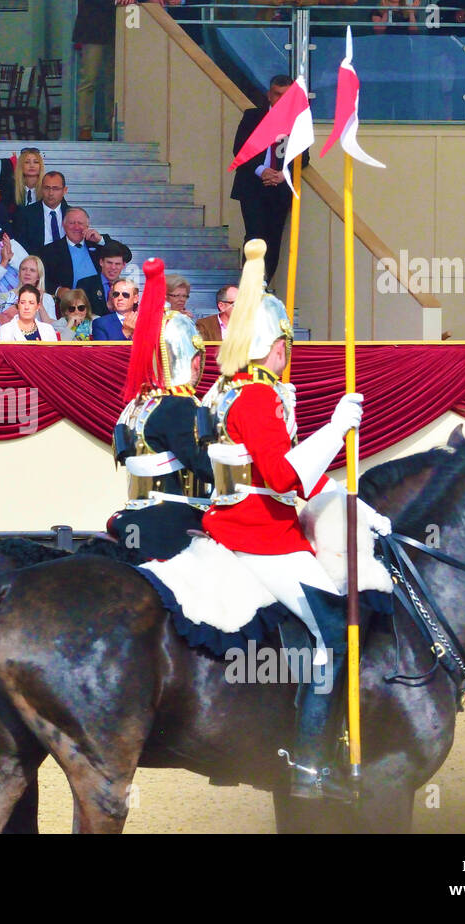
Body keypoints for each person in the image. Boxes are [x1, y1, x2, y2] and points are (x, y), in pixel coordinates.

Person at [199, 238, 391, 800]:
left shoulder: (230, 389)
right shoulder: (255, 398)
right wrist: (335, 429)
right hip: (261, 536)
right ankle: (309, 763)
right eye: (286, 343)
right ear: (274, 346)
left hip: (246, 523)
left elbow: (295, 478)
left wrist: (361, 510)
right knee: (335, 633)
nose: (290, 352)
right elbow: (284, 481)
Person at [105, 257, 211, 568]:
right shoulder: (179, 405)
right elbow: (207, 467)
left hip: (135, 514)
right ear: (193, 359)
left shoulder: (136, 405)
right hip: (174, 522)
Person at [231, 75, 308, 283]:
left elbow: (304, 157)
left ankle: (264, 283)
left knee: (274, 239)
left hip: (280, 189)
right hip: (253, 187)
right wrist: (261, 170)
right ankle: (249, 283)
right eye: (277, 94)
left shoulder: (299, 120)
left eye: (286, 95)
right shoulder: (253, 117)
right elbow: (239, 149)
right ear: (269, 94)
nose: (281, 99)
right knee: (254, 236)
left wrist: (284, 174)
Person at [73, 0, 137, 140]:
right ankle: (85, 127)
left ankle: (112, 127)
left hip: (120, 27)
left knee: (114, 82)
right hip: (93, 29)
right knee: (89, 79)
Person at [40, 206, 126, 292]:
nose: (76, 227)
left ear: (87, 226)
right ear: (63, 225)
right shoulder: (50, 251)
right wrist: (58, 291)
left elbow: (127, 255)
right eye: (72, 223)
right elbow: (42, 280)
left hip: (101, 299)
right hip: (71, 302)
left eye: (80, 223)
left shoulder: (98, 244)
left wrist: (100, 240)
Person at [13, 170, 72, 255]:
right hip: (38, 262)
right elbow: (21, 247)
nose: (50, 193)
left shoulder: (72, 214)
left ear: (64, 191)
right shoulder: (25, 214)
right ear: (41, 189)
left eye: (55, 188)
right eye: (46, 188)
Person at [74, 239, 130, 317]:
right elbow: (82, 316)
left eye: (117, 264)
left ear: (123, 265)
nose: (113, 267)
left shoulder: (128, 287)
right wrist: (109, 306)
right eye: (109, 263)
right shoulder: (84, 284)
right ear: (101, 262)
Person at [9, 146, 44, 214]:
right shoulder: (11, 187)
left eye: (36, 162)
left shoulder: (47, 187)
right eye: (27, 162)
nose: (32, 165)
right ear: (21, 165)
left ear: (40, 166)